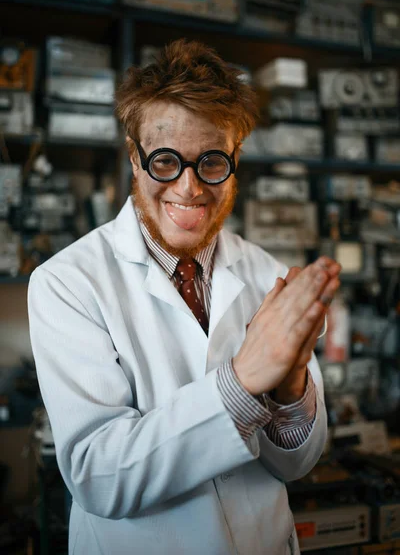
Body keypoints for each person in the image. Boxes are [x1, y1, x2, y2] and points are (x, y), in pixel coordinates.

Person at [28, 39, 341, 555]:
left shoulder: (269, 275)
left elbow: (294, 465)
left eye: (212, 161)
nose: (190, 188)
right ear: (135, 157)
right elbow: (98, 477)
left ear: (235, 158)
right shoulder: (66, 283)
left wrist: (290, 386)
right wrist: (241, 384)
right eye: (166, 161)